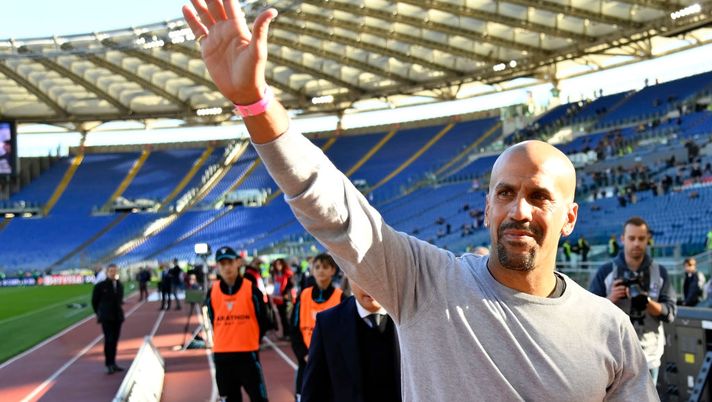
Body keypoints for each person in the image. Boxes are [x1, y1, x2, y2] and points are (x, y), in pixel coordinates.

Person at [182, 2, 656, 399]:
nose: (519, 211)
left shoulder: (609, 330)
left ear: (570, 217)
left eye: (539, 196)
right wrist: (255, 103)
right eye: (506, 193)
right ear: (487, 207)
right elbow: (329, 205)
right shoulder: (424, 283)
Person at [589, 217, 676, 385]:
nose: (636, 243)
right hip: (612, 357)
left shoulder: (660, 272)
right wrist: (611, 298)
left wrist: (647, 302)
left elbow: (670, 314)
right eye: (632, 238)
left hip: (649, 357)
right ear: (623, 239)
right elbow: (589, 316)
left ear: (648, 239)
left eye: (641, 238)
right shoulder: (606, 271)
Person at [301, 280, 400, 402]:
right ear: (348, 273)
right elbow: (313, 390)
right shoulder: (328, 323)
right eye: (361, 274)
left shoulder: (415, 319)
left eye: (378, 272)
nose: (371, 283)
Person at [206, 246, 270, 402]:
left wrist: (253, 338)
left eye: (230, 262)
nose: (227, 267)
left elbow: (264, 319)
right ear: (217, 267)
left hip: (248, 355)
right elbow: (213, 318)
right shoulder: (212, 292)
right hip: (222, 357)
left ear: (238, 263)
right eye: (222, 264)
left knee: (259, 398)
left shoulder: (252, 290)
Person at [291, 253, 344, 399]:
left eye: (325, 267)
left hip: (331, 364)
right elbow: (294, 329)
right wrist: (304, 354)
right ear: (312, 270)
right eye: (317, 267)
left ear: (333, 270)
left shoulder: (340, 297)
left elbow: (345, 334)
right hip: (307, 361)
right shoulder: (303, 296)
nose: (321, 270)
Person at [91, 263, 125, 374]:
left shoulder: (120, 285)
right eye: (111, 271)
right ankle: (108, 363)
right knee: (108, 340)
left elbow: (120, 301)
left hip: (118, 317)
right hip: (106, 318)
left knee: (115, 341)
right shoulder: (100, 286)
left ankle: (114, 363)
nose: (113, 273)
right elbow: (94, 302)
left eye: (115, 271)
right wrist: (99, 313)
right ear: (107, 272)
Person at [270, 258, 294, 339]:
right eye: (276, 264)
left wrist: (289, 297)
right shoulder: (275, 274)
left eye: (280, 264)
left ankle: (289, 334)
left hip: (286, 298)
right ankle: (285, 334)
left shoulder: (288, 274)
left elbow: (291, 287)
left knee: (286, 317)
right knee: (282, 317)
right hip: (278, 298)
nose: (278, 266)